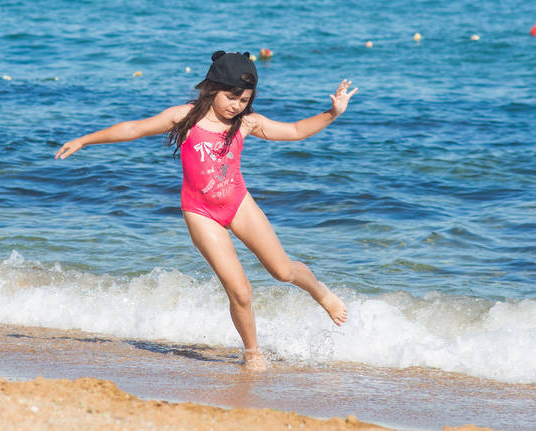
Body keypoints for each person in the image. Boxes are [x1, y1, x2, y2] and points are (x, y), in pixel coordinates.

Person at [56, 51, 358, 370]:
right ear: (212, 88)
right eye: (231, 97)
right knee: (240, 290)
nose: (236, 106)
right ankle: (253, 352)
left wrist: (332, 113)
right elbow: (133, 129)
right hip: (201, 212)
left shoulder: (246, 123)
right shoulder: (184, 117)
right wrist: (85, 141)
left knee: (282, 271)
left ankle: (321, 293)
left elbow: (295, 130)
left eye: (244, 100)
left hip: (238, 203)